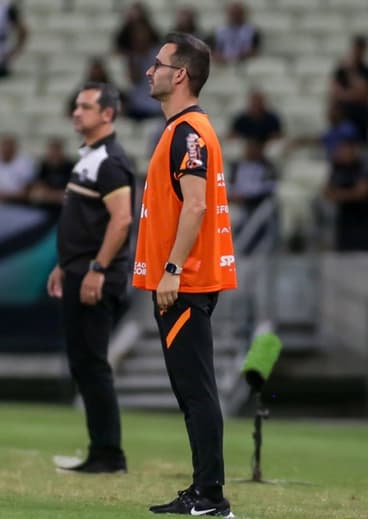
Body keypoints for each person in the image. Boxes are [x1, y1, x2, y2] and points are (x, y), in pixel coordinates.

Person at [133, 33, 237, 516]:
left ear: (180, 74)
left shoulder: (187, 133)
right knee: (191, 390)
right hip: (185, 280)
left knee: (196, 390)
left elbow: (195, 205)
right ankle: (203, 491)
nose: (148, 71)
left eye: (157, 64)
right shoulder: (185, 130)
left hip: (186, 281)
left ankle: (211, 496)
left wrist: (172, 269)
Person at [46, 82, 134, 473]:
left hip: (96, 274)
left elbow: (122, 218)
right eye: (76, 106)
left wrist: (97, 268)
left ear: (107, 114)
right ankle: (101, 450)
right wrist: (65, 264)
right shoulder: (90, 157)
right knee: (83, 362)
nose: (76, 112)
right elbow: (85, 222)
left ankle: (109, 454)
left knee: (92, 362)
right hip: (79, 270)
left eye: (85, 107)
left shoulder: (110, 161)